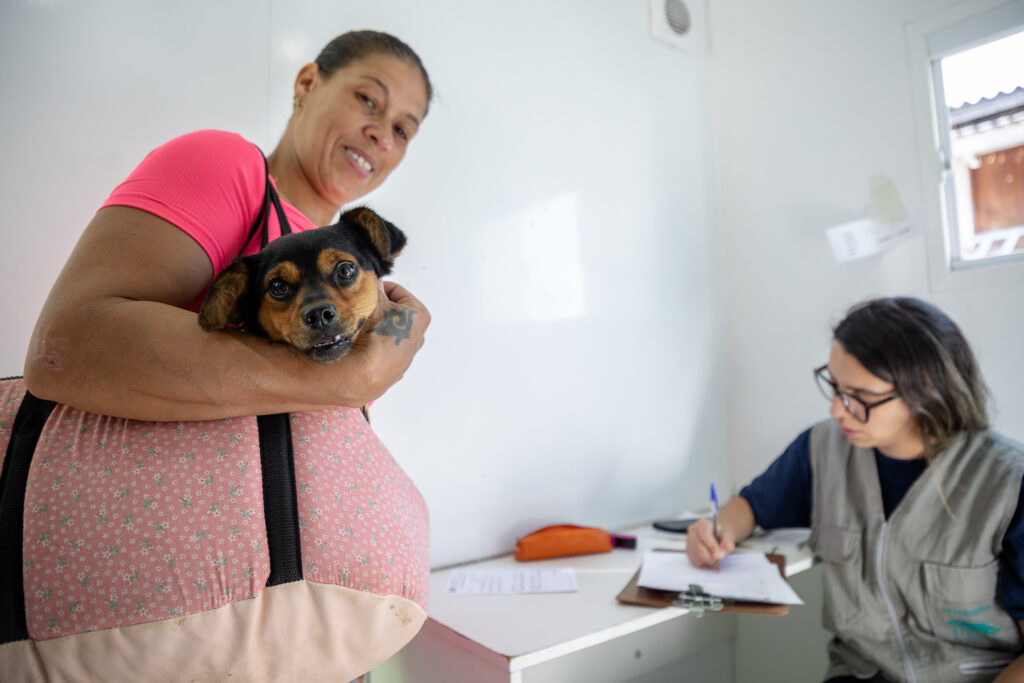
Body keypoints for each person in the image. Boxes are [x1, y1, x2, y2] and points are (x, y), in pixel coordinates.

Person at [22, 30, 432, 421]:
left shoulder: (359, 258)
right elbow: (64, 348)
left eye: (402, 130)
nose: (382, 136)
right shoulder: (228, 166)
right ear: (307, 84)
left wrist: (399, 332)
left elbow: (365, 373)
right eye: (368, 99)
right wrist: (353, 376)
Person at [686, 297, 1024, 683]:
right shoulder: (822, 450)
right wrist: (716, 531)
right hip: (861, 673)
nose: (837, 410)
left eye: (858, 398)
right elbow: (750, 506)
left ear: (925, 391)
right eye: (834, 387)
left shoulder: (1008, 485)